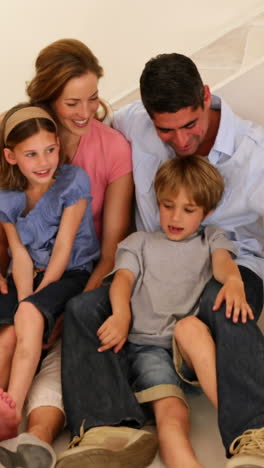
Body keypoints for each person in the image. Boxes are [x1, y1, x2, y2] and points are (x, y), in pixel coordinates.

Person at [60, 51, 264, 468]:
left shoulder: (254, 153)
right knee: (81, 308)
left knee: (226, 304)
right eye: (166, 130)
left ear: (205, 97)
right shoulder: (134, 123)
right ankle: (108, 425)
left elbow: (227, 260)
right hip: (150, 273)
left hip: (225, 264)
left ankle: (254, 433)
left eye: (190, 125)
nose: (182, 141)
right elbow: (86, 129)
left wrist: (235, 279)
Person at [0, 38, 135, 466]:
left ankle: (33, 433)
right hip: (27, 272)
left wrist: (63, 306)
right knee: (13, 333)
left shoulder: (110, 150)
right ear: (48, 100)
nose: (85, 112)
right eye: (72, 102)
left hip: (82, 272)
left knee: (70, 329)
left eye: (93, 99)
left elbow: (111, 248)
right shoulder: (25, 135)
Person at [97, 155, 254, 468]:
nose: (175, 217)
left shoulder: (212, 237)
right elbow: (122, 281)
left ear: (206, 213)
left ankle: (243, 426)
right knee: (170, 416)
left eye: (188, 209)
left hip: (191, 349)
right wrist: (121, 315)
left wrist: (235, 280)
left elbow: (223, 262)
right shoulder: (138, 241)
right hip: (147, 350)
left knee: (189, 327)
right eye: (167, 205)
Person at [0, 103, 99, 450]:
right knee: (11, 332)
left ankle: (11, 413)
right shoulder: (7, 198)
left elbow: (63, 249)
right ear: (12, 157)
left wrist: (35, 305)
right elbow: (20, 256)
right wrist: (26, 301)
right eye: (31, 154)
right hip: (30, 272)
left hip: (70, 271)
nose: (43, 162)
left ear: (58, 144)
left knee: (27, 315)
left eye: (50, 150)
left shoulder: (73, 181)